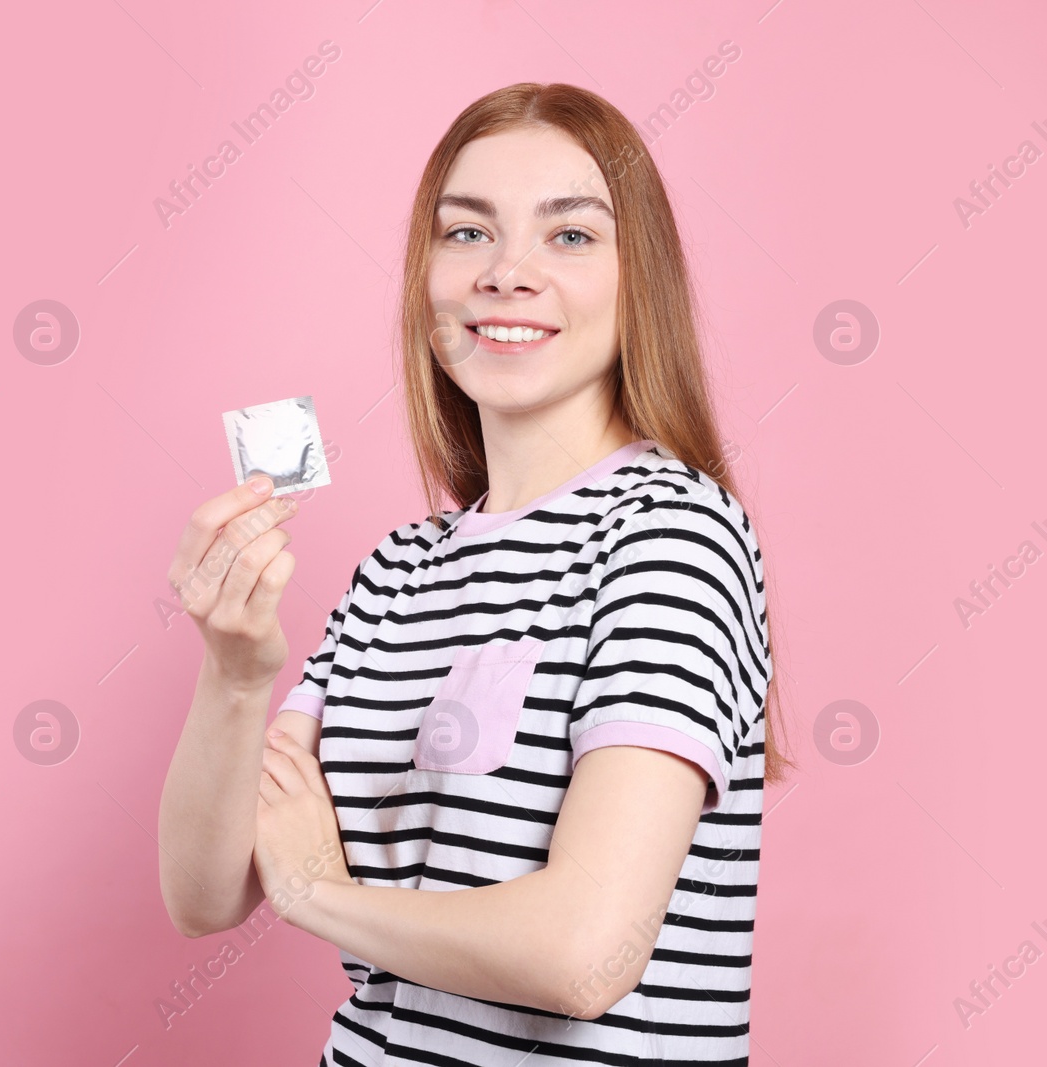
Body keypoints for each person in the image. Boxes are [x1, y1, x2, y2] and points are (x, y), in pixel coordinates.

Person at [159, 82, 794, 1065]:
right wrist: (234, 675)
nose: (506, 273)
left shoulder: (668, 538)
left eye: (570, 236)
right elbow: (202, 894)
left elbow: (584, 953)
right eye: (465, 234)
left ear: (641, 279)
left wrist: (318, 894)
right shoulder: (398, 570)